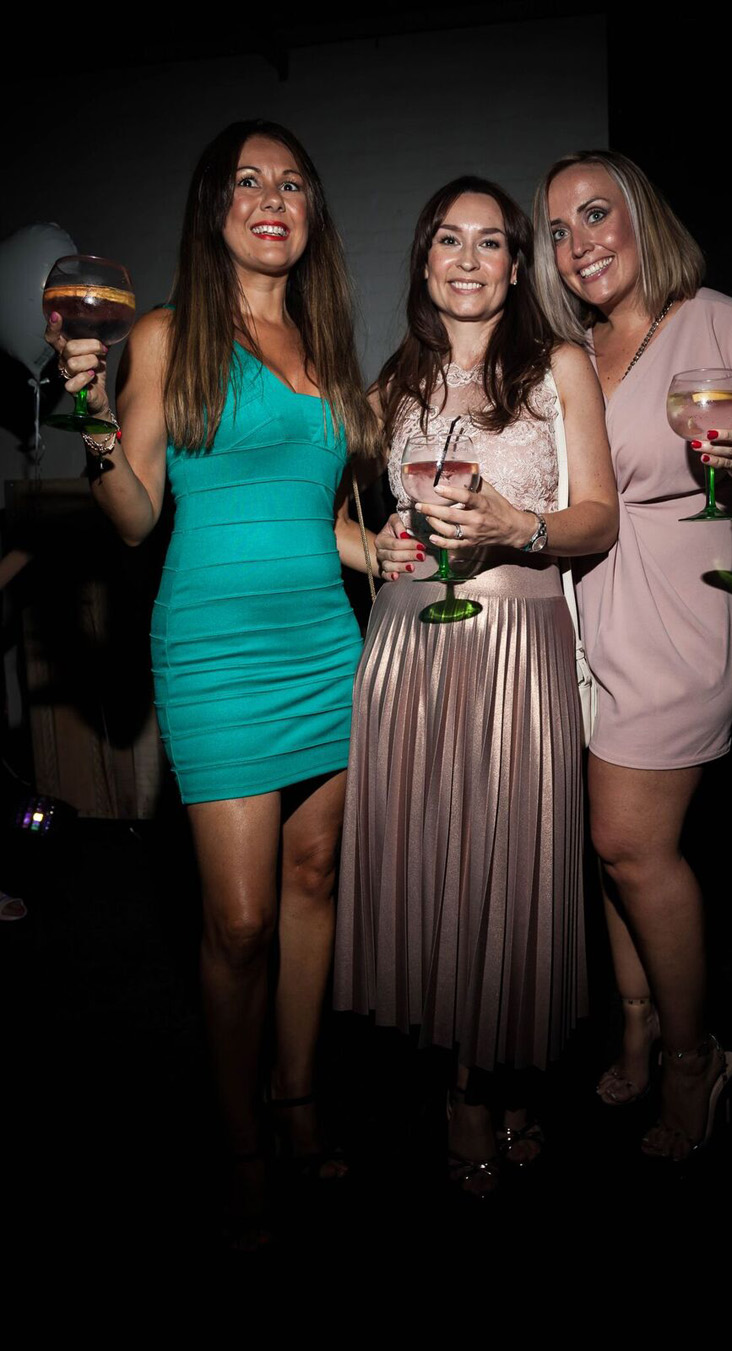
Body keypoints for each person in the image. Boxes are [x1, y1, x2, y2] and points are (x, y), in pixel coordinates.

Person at [45, 120, 379, 1243]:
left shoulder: (324, 343)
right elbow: (136, 515)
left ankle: (299, 1099)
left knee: (316, 880)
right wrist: (93, 418)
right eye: (248, 181)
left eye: (293, 182)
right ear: (214, 208)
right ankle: (238, 1136)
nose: (272, 197)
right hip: (216, 654)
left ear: (312, 213)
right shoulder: (168, 332)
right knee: (238, 922)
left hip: (324, 644)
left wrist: (386, 550)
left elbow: (317, 513)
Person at [333, 176, 618, 1195]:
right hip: (410, 647)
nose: (467, 259)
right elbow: (316, 504)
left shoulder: (559, 366)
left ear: (516, 264)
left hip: (518, 643)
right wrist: (369, 550)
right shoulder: (391, 385)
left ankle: (500, 1061)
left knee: (510, 868)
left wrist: (519, 526)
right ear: (424, 261)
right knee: (439, 869)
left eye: (490, 242)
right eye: (448, 239)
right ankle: (466, 1086)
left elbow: (599, 516)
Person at [533, 150, 732, 1160]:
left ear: (641, 216)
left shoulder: (719, 321)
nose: (578, 244)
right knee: (611, 844)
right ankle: (640, 1022)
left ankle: (697, 1057)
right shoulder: (573, 350)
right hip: (590, 616)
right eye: (558, 231)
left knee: (629, 840)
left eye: (595, 214)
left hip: (688, 610)